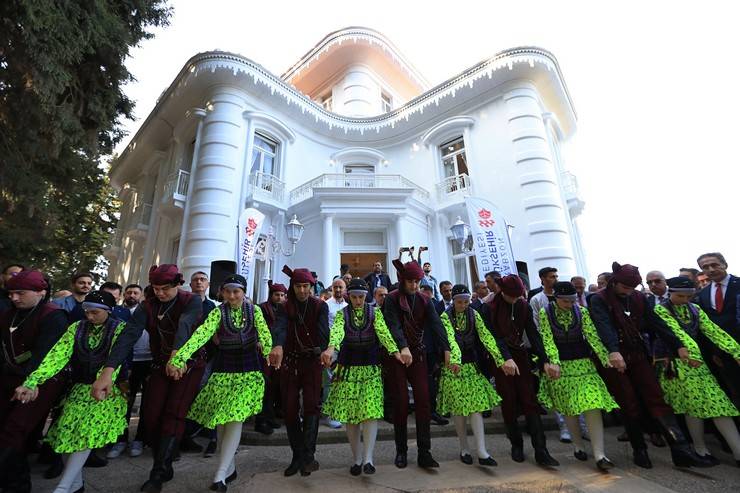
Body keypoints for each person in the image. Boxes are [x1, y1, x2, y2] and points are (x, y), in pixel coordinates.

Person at [91, 264, 205, 493]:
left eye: (166, 288)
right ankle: (167, 454)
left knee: (174, 412)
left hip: (189, 364)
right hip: (160, 364)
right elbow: (128, 336)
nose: (160, 293)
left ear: (177, 285)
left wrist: (178, 355)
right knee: (151, 415)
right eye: (156, 288)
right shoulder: (147, 306)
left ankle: (159, 471)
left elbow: (185, 324)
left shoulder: (191, 300)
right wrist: (108, 371)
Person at [589, 262, 712, 469]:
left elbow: (656, 323)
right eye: (625, 287)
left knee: (656, 397)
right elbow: (604, 325)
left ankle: (681, 450)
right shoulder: (599, 299)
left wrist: (678, 345)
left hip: (637, 353)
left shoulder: (639, 298)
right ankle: (639, 449)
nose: (629, 292)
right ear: (615, 282)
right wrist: (613, 350)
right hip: (614, 356)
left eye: (633, 288)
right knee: (628, 401)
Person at [15, 290, 127, 493]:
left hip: (104, 392)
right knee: (67, 437)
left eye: (95, 313)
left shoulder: (119, 329)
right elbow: (57, 356)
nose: (89, 316)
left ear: (108, 311)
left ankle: (63, 488)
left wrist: (103, 380)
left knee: (85, 436)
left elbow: (115, 360)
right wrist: (33, 381)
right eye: (87, 312)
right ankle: (76, 485)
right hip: (78, 389)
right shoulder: (77, 327)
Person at [168, 274, 272, 491]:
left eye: (237, 292)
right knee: (222, 422)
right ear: (222, 293)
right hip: (223, 370)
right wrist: (180, 357)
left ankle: (220, 474)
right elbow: (201, 335)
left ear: (244, 293)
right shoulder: (218, 312)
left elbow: (265, 334)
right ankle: (230, 468)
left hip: (249, 371)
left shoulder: (255, 311)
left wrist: (268, 348)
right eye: (228, 291)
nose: (232, 296)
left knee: (234, 418)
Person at [653, 276, 740, 466]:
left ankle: (735, 451)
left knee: (718, 405)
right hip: (675, 365)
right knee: (692, 407)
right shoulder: (661, 310)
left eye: (689, 296)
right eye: (681, 296)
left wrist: (736, 351)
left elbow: (714, 331)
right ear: (671, 292)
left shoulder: (695, 309)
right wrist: (692, 356)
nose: (685, 300)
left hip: (697, 364)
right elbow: (676, 333)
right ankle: (701, 449)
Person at [323, 278, 402, 475]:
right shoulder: (342, 314)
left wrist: (395, 351)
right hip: (348, 368)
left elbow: (384, 334)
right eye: (354, 297)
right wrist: (332, 347)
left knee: (370, 412)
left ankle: (368, 459)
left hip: (370, 368)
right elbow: (337, 332)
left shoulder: (375, 313)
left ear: (366, 296)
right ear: (349, 296)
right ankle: (356, 458)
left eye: (361, 297)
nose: (358, 301)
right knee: (351, 416)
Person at [537, 281, 618, 471]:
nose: (570, 304)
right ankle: (578, 445)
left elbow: (591, 336)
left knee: (593, 404)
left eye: (572, 300)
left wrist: (605, 357)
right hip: (562, 367)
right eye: (565, 301)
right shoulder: (545, 313)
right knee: (569, 409)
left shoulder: (582, 311)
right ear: (556, 299)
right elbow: (547, 339)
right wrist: (553, 361)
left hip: (583, 364)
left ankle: (600, 454)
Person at [0, 270, 69, 492]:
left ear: (41, 292)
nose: (14, 298)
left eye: (20, 293)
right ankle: (16, 481)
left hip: (41, 381)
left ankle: (17, 486)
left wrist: (31, 382)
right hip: (10, 378)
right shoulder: (7, 314)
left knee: (15, 429)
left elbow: (46, 353)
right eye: (11, 293)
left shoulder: (53, 315)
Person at [480, 274, 559, 466]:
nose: (515, 299)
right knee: (509, 401)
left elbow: (532, 331)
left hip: (520, 356)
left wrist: (545, 359)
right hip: (500, 359)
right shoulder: (489, 307)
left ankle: (541, 449)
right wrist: (506, 358)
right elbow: (494, 337)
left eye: (518, 295)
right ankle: (516, 443)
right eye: (511, 296)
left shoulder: (523, 305)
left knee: (529, 400)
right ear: (502, 291)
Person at [383, 259, 450, 469]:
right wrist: (402, 347)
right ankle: (401, 451)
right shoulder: (392, 299)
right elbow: (393, 325)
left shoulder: (424, 299)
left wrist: (446, 348)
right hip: (398, 358)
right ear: (402, 280)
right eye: (410, 281)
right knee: (401, 403)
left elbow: (437, 324)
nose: (414, 286)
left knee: (423, 402)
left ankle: (424, 452)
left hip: (418, 357)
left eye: (417, 282)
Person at [438, 284, 509, 466]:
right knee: (459, 412)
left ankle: (482, 450)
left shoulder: (474, 314)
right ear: (453, 301)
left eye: (466, 301)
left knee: (476, 408)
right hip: (454, 368)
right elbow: (450, 340)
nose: (463, 305)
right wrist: (455, 360)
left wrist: (501, 360)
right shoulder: (445, 316)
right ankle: (464, 448)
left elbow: (486, 337)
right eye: (460, 301)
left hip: (471, 367)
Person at [271, 265, 329, 477]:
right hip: (291, 363)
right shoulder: (284, 307)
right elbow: (280, 328)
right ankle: (297, 455)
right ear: (292, 287)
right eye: (298, 286)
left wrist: (324, 351)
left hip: (313, 363)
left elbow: (324, 332)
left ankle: (308, 456)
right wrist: (277, 345)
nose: (302, 290)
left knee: (312, 407)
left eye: (306, 286)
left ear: (312, 286)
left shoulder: (320, 306)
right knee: (289, 409)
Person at [110, 283, 150, 459]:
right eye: (129, 292)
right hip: (127, 364)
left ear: (141, 295)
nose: (132, 295)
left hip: (148, 362)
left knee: (147, 404)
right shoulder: (118, 313)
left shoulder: (147, 312)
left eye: (136, 292)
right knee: (125, 402)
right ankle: (120, 439)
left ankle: (140, 439)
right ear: (124, 295)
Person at [695, 252, 740, 404]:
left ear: (725, 264)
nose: (711, 269)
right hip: (724, 353)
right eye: (705, 267)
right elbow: (706, 326)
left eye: (714, 265)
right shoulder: (703, 294)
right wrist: (715, 352)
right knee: (735, 389)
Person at [255, 281, 287, 435]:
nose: (279, 298)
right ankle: (261, 420)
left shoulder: (286, 309)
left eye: (282, 295)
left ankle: (271, 415)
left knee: (276, 385)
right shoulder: (262, 308)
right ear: (271, 295)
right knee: (265, 385)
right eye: (277, 295)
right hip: (264, 353)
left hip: (279, 351)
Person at [322, 278, 347, 429]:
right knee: (329, 382)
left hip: (344, 348)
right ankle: (329, 415)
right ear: (331, 288)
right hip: (330, 348)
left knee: (340, 381)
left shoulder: (347, 306)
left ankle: (339, 411)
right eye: (335, 287)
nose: (338, 290)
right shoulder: (325, 305)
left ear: (345, 289)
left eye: (340, 287)